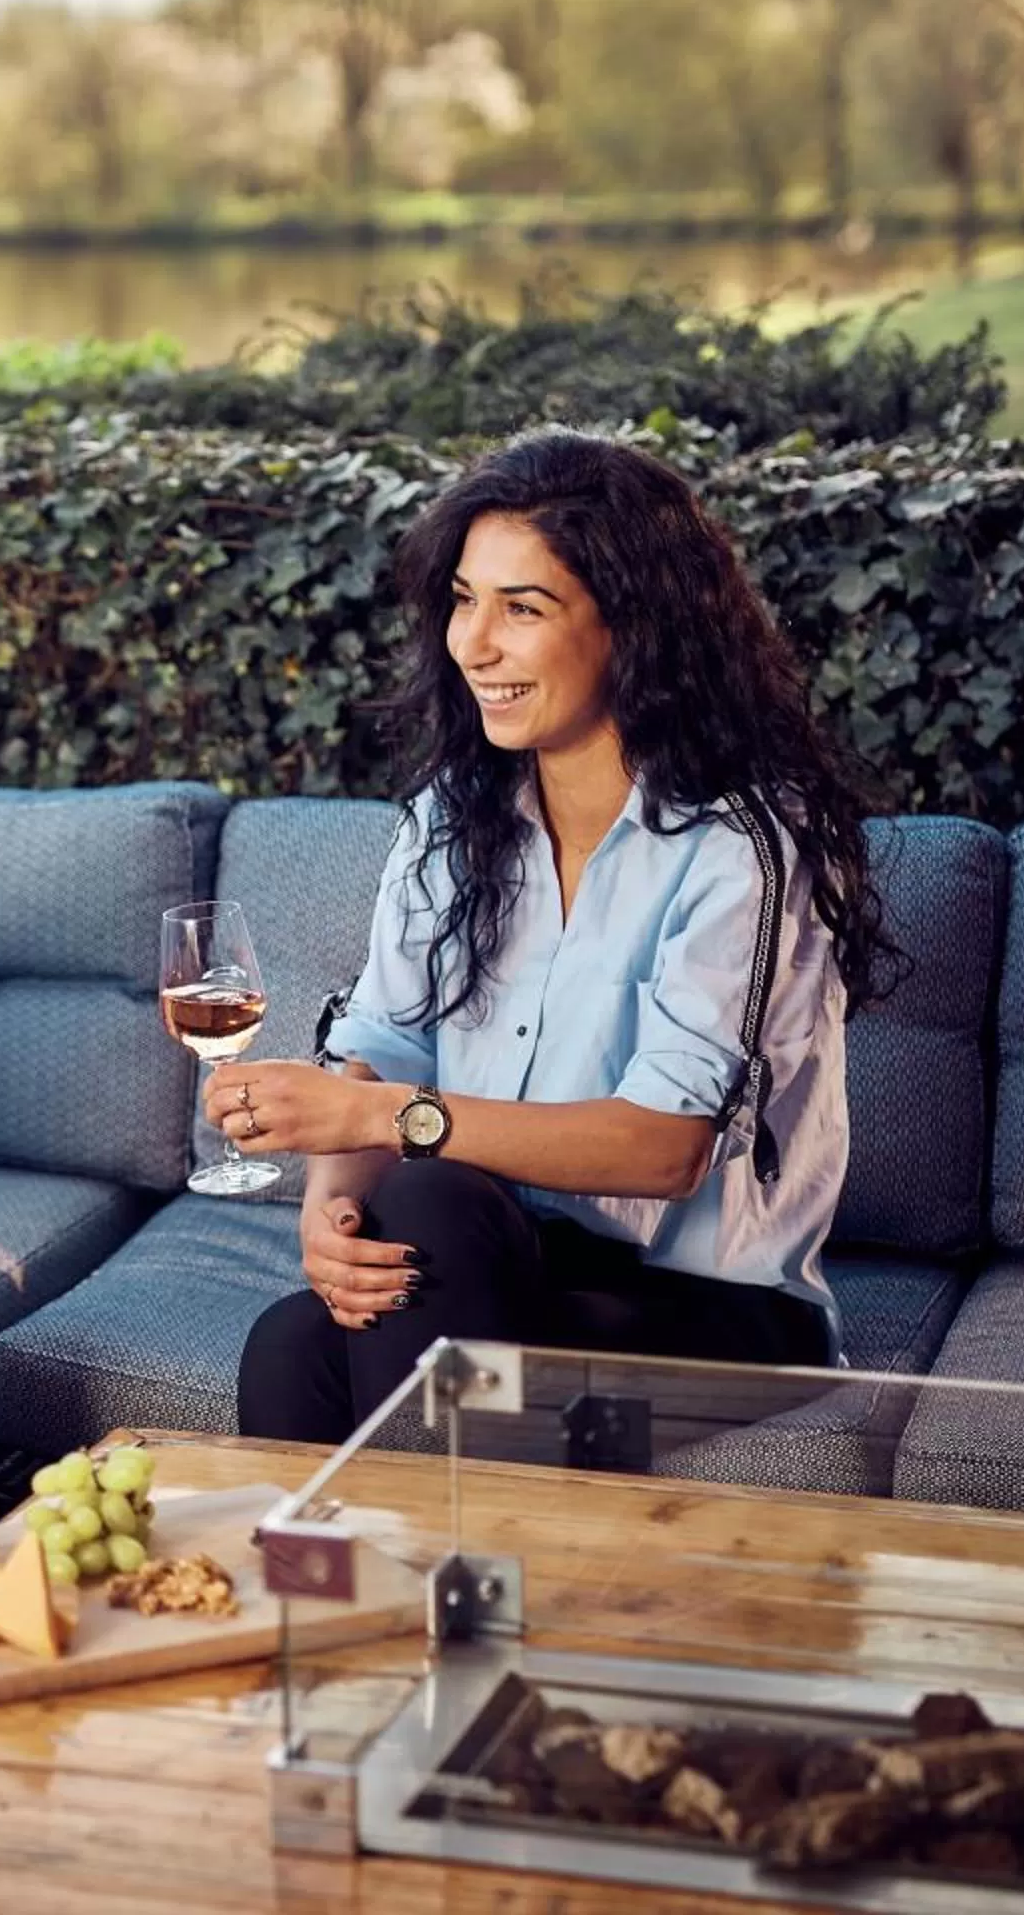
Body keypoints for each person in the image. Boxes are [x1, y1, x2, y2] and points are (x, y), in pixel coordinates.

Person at [214, 429, 897, 1444]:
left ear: (632, 625)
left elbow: (664, 1147)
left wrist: (380, 1119)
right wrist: (335, 1211)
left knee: (436, 1199)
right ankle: (380, 1596)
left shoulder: (741, 846)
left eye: (521, 608)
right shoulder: (456, 815)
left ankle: (452, 1588)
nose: (472, 642)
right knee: (291, 1338)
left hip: (718, 1313)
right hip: (511, 1258)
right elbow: (388, 1038)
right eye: (462, 597)